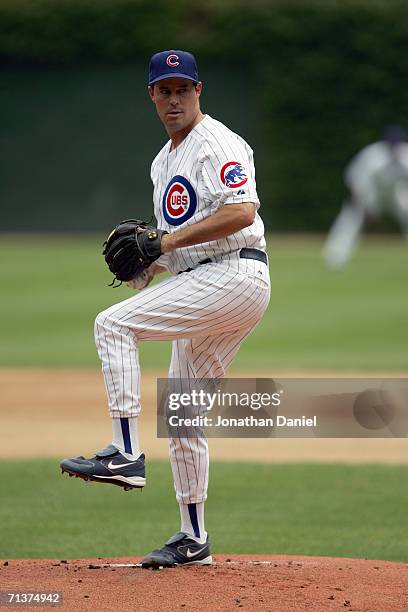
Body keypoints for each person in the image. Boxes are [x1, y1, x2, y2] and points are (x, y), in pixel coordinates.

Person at [60, 50, 270, 568]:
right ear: (152, 96)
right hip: (211, 279)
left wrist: (165, 241)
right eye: (164, 90)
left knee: (111, 324)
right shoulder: (163, 162)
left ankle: (126, 453)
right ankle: (193, 537)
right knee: (183, 414)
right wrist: (145, 266)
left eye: (183, 89)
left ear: (199, 91)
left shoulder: (216, 142)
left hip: (235, 273)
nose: (174, 99)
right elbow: (172, 248)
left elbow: (243, 210)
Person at [323, 125, 408, 269]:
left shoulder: (405, 154)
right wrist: (365, 207)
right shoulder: (371, 156)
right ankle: (335, 256)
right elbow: (355, 180)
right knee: (352, 217)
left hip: (396, 191)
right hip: (370, 192)